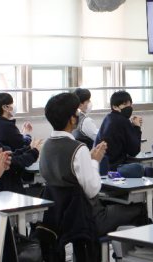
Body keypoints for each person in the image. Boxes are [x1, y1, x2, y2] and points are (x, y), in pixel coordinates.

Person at [42, 93, 146, 237]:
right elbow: (92, 190)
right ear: (71, 119)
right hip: (88, 218)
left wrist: (88, 159)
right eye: (76, 112)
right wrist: (94, 161)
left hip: (60, 218)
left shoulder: (46, 146)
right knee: (141, 208)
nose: (79, 115)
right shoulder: (78, 149)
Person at [95, 91, 143, 172]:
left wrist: (131, 126)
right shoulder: (123, 121)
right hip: (115, 169)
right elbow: (134, 151)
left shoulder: (108, 118)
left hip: (100, 167)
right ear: (114, 107)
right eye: (124, 104)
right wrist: (137, 127)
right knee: (140, 168)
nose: (129, 107)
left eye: (130, 104)